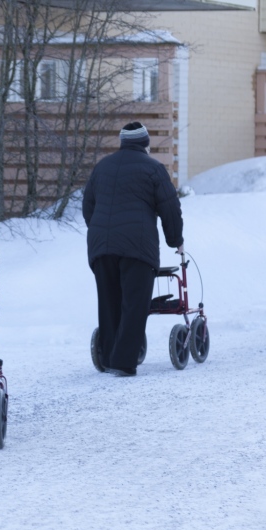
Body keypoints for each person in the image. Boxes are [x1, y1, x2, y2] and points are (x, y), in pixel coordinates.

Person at [82, 121, 184, 377]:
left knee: (109, 302)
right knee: (134, 304)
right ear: (145, 143)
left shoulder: (102, 167)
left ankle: (107, 356)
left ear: (123, 142)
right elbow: (170, 209)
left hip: (101, 247)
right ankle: (124, 361)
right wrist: (176, 240)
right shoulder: (153, 169)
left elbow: (88, 207)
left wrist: (103, 233)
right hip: (137, 247)